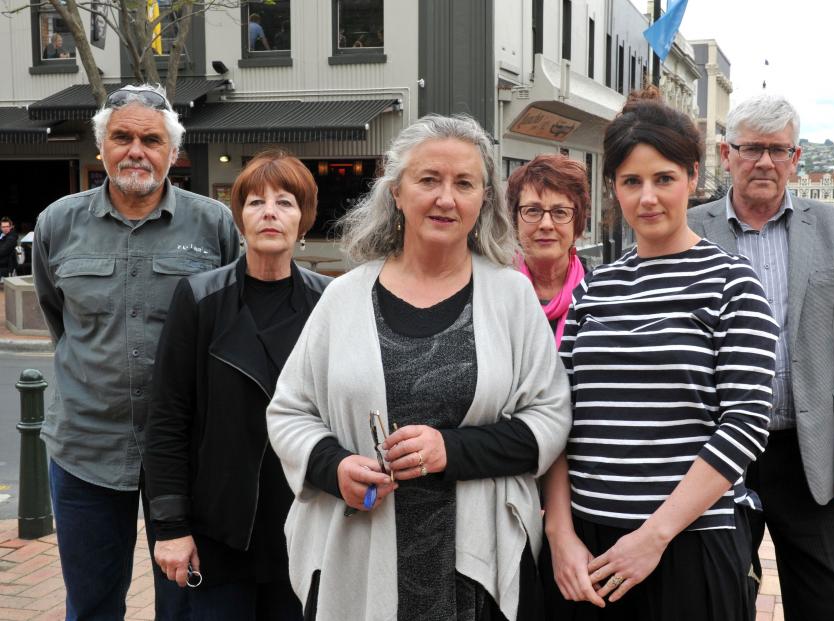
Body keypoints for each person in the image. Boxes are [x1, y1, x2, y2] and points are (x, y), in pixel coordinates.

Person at [266, 114, 572, 621]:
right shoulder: (345, 297)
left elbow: (549, 419)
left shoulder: (510, 296)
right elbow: (289, 413)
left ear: (484, 200)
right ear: (396, 193)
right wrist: (332, 466)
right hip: (359, 556)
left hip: (478, 564)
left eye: (464, 184)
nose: (446, 199)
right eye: (428, 180)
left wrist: (449, 450)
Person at [542, 88, 780, 620]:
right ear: (614, 190)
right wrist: (559, 531)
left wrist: (653, 536)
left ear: (693, 178)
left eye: (664, 179)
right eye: (631, 182)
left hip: (688, 542)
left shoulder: (732, 285)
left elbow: (743, 425)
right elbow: (558, 414)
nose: (648, 198)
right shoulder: (595, 290)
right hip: (588, 548)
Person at [32, 83, 241, 621]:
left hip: (187, 453)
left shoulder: (213, 224)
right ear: (101, 146)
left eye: (151, 139)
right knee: (93, 604)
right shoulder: (58, 222)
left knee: (186, 605)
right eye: (121, 136)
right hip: (85, 449)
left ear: (173, 151)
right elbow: (60, 319)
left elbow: (229, 322)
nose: (136, 151)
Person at [688, 93, 834, 621]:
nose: (765, 162)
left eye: (779, 150)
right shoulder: (689, 229)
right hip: (715, 455)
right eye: (752, 148)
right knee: (720, 601)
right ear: (727, 154)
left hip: (810, 454)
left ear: (796, 159)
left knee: (829, 603)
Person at [144, 151, 329, 620]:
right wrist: (170, 527)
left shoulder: (329, 304)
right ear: (240, 218)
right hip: (219, 531)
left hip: (303, 526)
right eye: (256, 202)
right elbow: (167, 418)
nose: (270, 212)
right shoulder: (200, 298)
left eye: (285, 202)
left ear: (303, 220)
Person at [506, 154, 590, 346]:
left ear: (577, 224)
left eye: (560, 212)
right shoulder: (494, 295)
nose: (546, 224)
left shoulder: (599, 295)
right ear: (514, 221)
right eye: (533, 211)